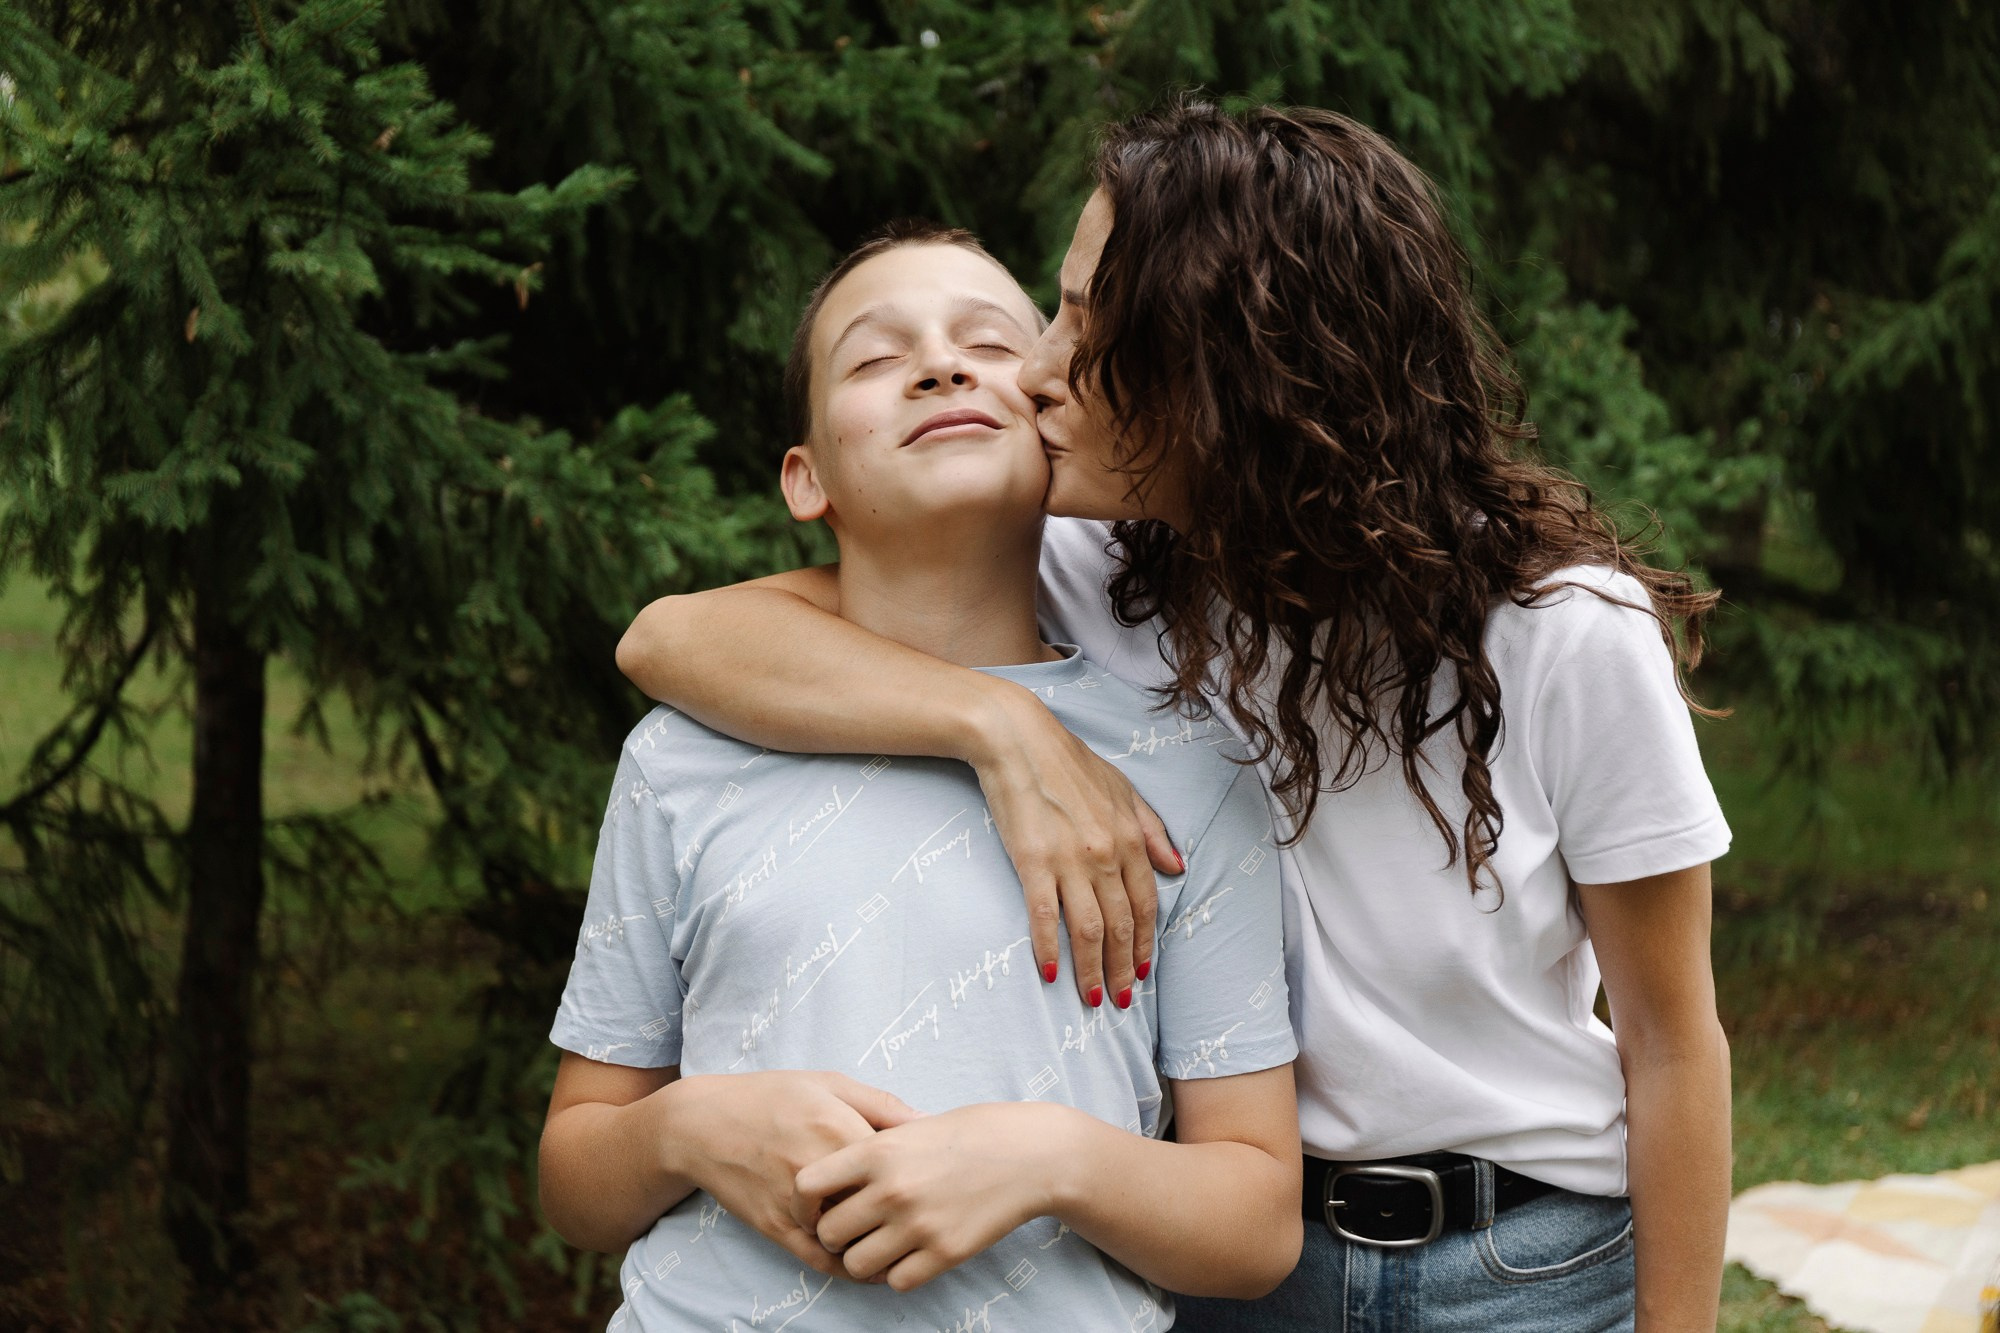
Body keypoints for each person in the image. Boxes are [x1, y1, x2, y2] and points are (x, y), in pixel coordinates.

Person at [616, 98, 1734, 1331]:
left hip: (1522, 1264)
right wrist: (1003, 729)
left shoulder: (1560, 631)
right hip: (1226, 1261)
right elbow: (675, 637)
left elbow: (1671, 1042)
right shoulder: (1095, 569)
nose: (1034, 366)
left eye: (1087, 321)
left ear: (1227, 367)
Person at [538, 222, 1303, 1331]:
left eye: (990, 344)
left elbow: (1254, 1224)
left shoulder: (1186, 768)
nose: (940, 366)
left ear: (1050, 419)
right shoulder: (684, 755)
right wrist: (686, 1129)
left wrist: (1049, 1158)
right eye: (873, 357)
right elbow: (576, 1178)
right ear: (806, 479)